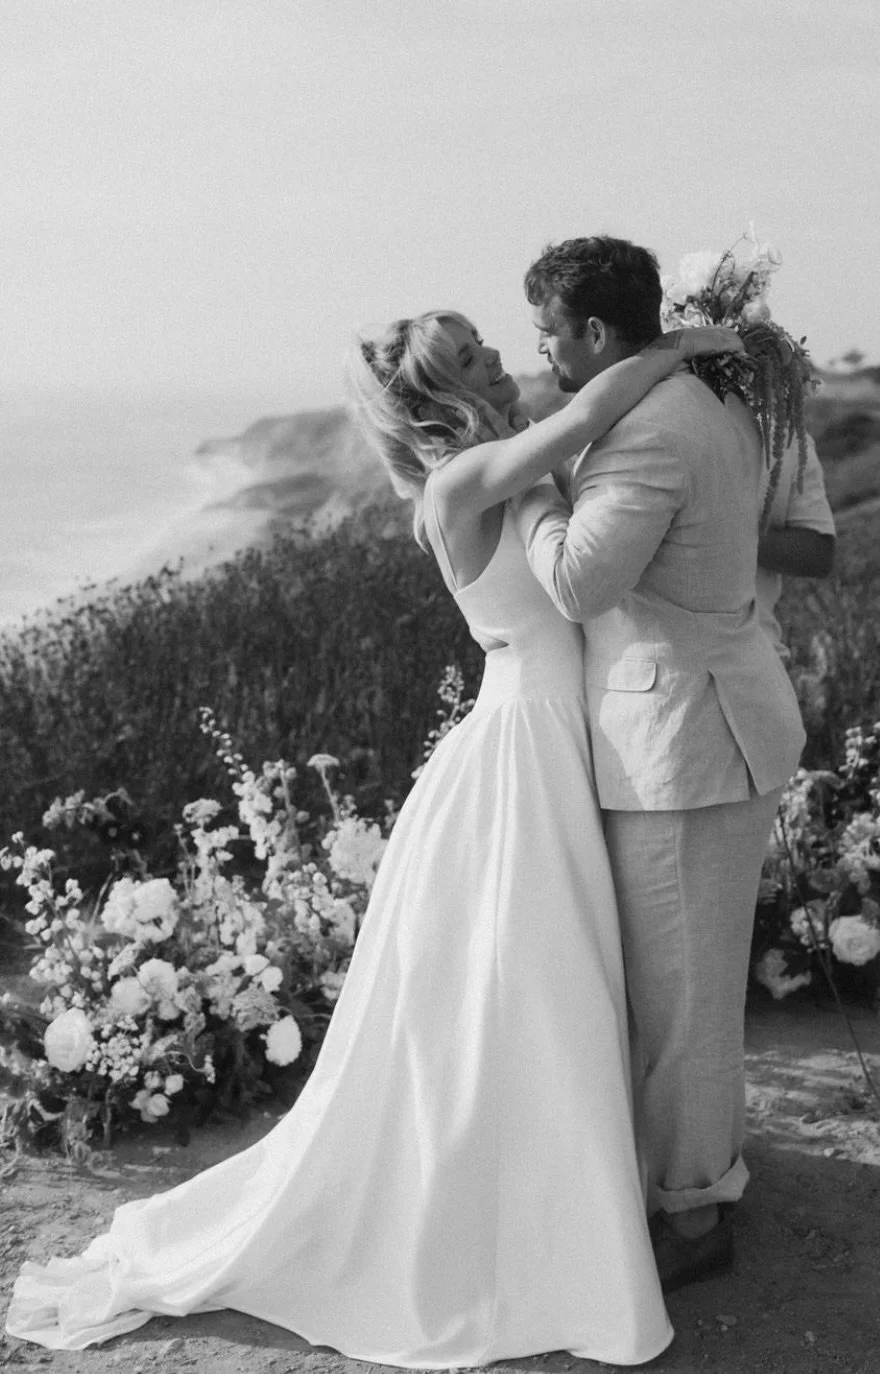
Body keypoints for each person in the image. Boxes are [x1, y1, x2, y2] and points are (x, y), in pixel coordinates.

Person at [5, 310, 741, 1368]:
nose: (499, 360)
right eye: (476, 356)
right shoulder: (462, 479)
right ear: (441, 394)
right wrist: (675, 350)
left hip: (562, 736)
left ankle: (565, 1190)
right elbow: (585, 412)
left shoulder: (492, 465)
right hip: (523, 748)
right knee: (537, 983)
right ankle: (528, 1224)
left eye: (489, 345)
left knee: (547, 987)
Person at [516, 236, 807, 1292]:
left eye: (546, 333)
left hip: (684, 744)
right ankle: (698, 1173)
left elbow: (581, 586)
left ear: (594, 333)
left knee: (681, 998)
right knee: (695, 990)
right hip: (715, 725)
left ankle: (691, 1215)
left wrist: (534, 490)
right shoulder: (709, 399)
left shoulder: (649, 431)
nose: (539, 353)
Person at [756, 435, 836, 659]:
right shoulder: (662, 426)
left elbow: (818, 551)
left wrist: (730, 538)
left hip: (755, 654)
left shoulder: (784, 438)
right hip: (667, 664)